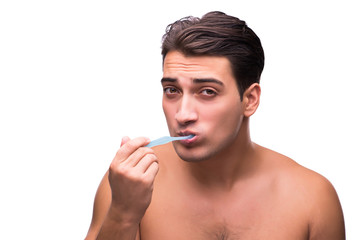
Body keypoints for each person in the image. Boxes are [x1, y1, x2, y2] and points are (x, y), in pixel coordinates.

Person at [85, 11, 345, 239]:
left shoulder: (311, 198)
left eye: (207, 92)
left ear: (250, 100)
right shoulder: (128, 185)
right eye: (172, 90)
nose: (183, 114)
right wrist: (123, 213)